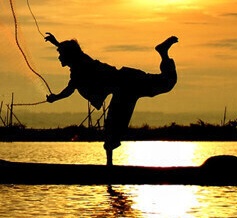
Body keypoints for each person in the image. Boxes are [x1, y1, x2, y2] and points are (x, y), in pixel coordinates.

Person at [44, 33, 178, 165]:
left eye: (61, 55)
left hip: (127, 83)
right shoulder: (78, 66)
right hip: (125, 85)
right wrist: (56, 43)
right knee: (112, 130)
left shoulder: (81, 66)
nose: (59, 58)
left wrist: (55, 98)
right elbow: (73, 56)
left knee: (167, 82)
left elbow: (69, 89)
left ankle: (163, 52)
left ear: (69, 56)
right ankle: (109, 167)